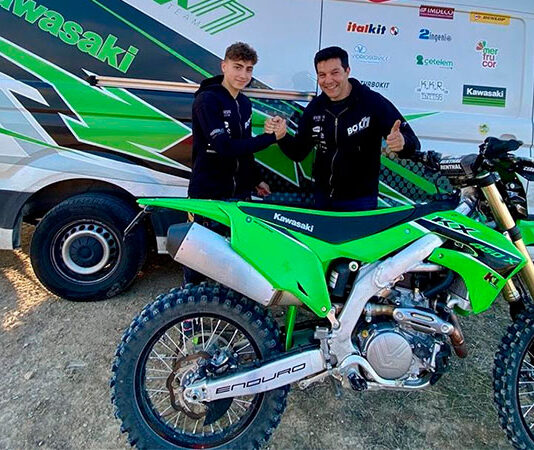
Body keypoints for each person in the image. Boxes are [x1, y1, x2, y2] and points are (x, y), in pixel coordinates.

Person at [265, 46, 420, 212]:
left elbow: (413, 143)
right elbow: (298, 152)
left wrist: (403, 144)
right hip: (323, 198)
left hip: (360, 201)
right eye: (322, 75)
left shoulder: (372, 102)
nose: (328, 80)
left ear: (347, 71)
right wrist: (281, 136)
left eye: (335, 73)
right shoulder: (315, 108)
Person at [184, 41, 284, 285]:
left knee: (232, 260)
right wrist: (270, 138)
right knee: (198, 259)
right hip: (207, 194)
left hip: (238, 195)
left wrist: (256, 179)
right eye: (237, 67)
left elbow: (244, 149)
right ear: (224, 66)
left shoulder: (244, 103)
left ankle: (224, 305)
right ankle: (190, 305)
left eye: (249, 69)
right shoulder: (207, 100)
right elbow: (225, 147)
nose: (243, 75)